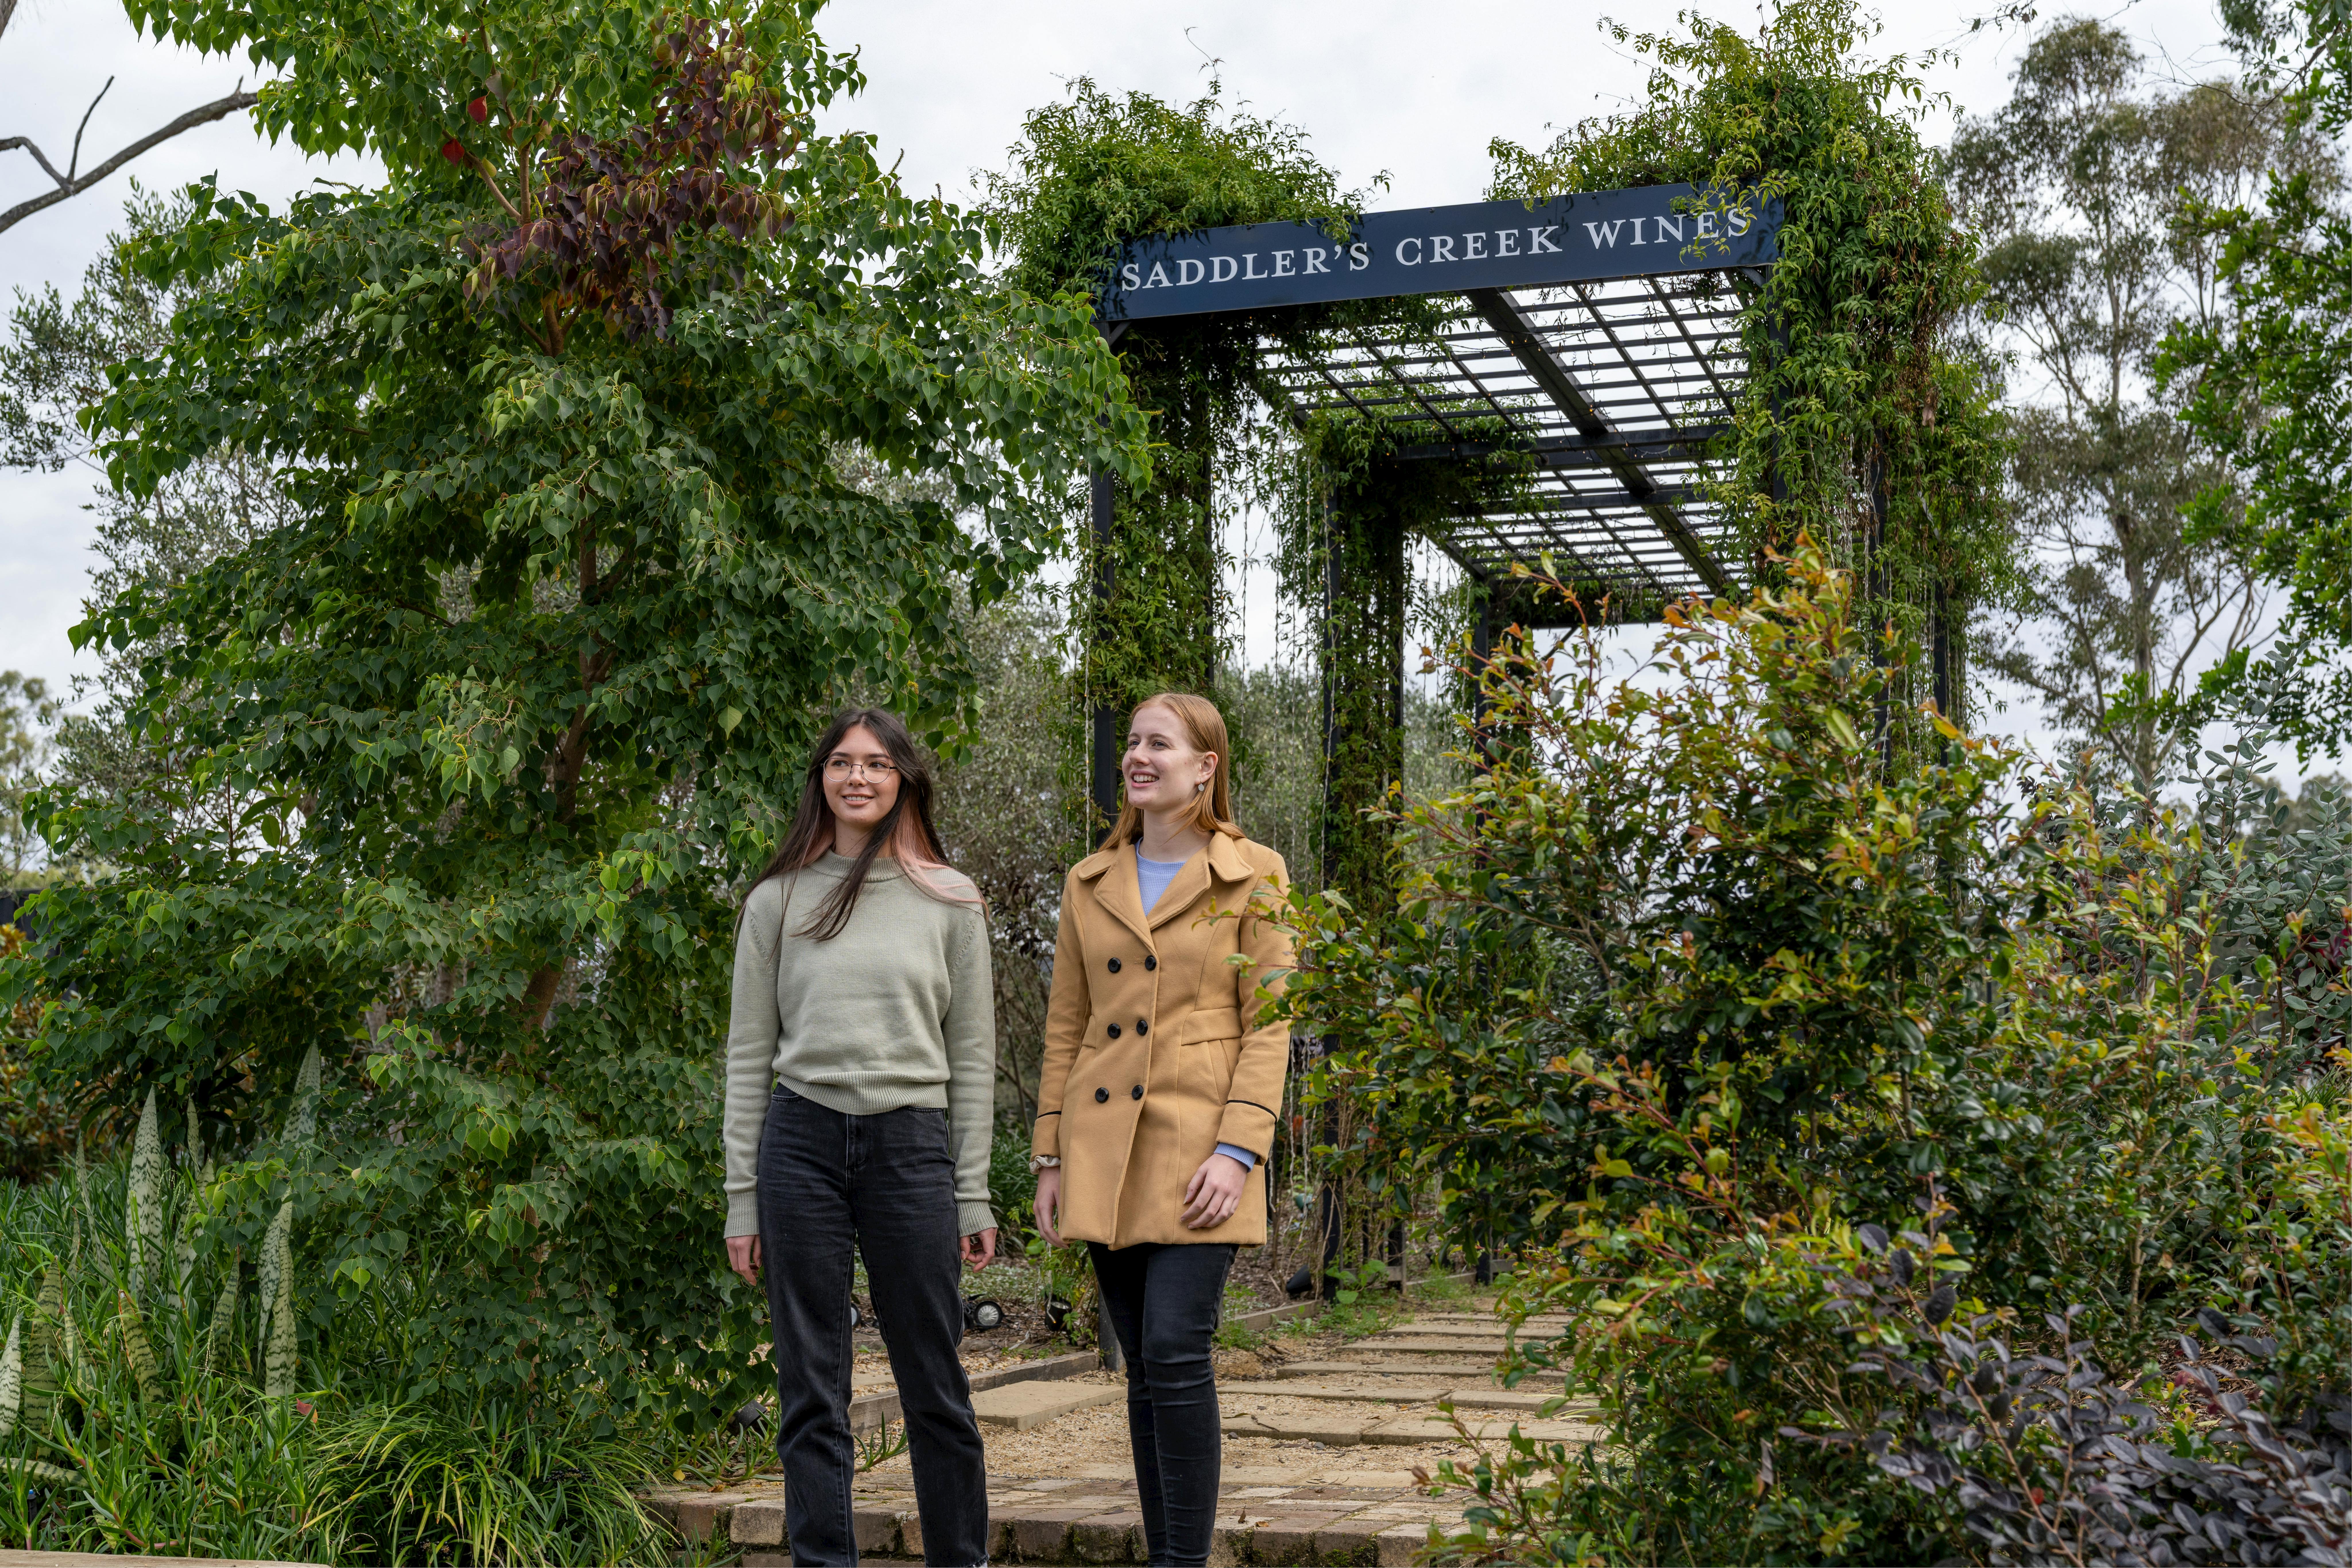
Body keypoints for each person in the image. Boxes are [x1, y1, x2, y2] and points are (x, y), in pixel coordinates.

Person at [723, 708, 997, 1568]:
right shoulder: (777, 901)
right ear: (822, 781)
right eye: (842, 763)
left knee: (936, 1383)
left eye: (878, 764)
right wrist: (742, 1200)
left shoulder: (951, 901)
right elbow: (746, 1056)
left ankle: (962, 1559)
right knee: (811, 1387)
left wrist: (974, 1189)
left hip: (910, 1146)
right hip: (799, 1144)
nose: (858, 778)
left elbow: (975, 1056)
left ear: (903, 781)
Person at [1030, 692, 1293, 1568]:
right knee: (1143, 1364)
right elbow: (1067, 1027)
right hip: (1104, 1149)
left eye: (1159, 744)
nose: (1138, 757)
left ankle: (1184, 1563)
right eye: (1133, 744)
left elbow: (1273, 1023)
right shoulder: (1087, 880)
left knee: (1178, 1348)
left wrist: (1239, 1148)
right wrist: (1050, 1157)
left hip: (1200, 1145)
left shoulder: (1256, 871)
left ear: (1205, 766)